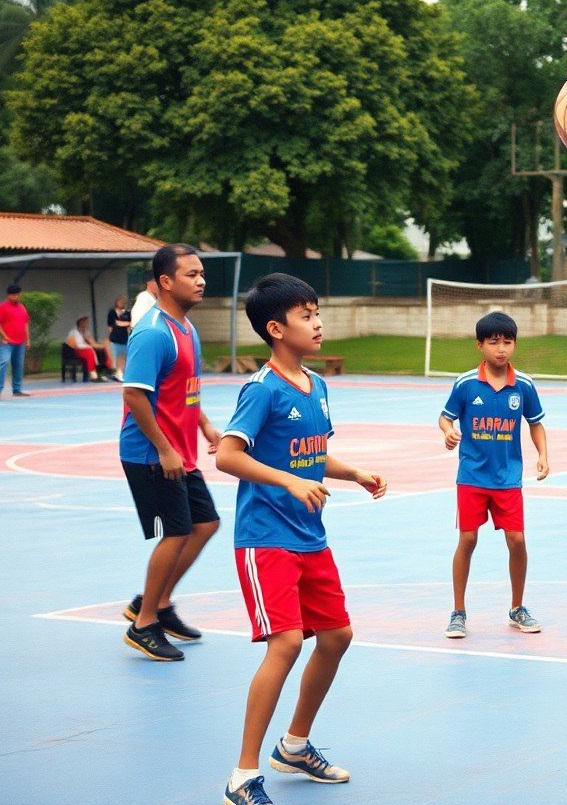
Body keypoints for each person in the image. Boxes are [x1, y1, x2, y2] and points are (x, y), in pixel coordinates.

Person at [216, 273, 388, 805]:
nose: (317, 322)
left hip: (310, 538)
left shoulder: (318, 385)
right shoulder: (262, 389)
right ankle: (243, 776)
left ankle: (293, 746)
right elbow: (227, 455)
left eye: (317, 312)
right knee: (287, 642)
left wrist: (353, 472)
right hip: (265, 538)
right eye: (306, 315)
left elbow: (311, 456)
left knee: (336, 636)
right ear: (276, 327)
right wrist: (289, 480)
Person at [119, 243, 222, 661]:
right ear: (165, 282)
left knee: (206, 524)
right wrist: (163, 448)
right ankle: (143, 623)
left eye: (201, 274)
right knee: (177, 532)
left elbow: (184, 392)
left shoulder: (186, 329)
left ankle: (157, 603)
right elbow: (135, 395)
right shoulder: (152, 332)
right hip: (151, 453)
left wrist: (205, 424)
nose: (200, 281)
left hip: (181, 450)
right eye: (190, 275)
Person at [439, 311, 549, 639]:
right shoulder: (465, 384)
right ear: (480, 346)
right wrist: (447, 432)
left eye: (507, 342)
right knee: (468, 539)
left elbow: (536, 423)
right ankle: (458, 611)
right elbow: (445, 418)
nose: (501, 349)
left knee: (517, 540)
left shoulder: (524, 386)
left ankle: (517, 607)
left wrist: (543, 454)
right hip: (472, 476)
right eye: (494, 342)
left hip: (508, 478)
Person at [0, 283, 30, 401]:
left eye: (17, 295)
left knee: (18, 366)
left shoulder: (22, 307)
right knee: (3, 363)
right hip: (7, 342)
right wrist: (4, 336)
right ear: (9, 295)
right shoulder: (2, 307)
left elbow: (26, 324)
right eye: (13, 295)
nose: (15, 297)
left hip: (21, 342)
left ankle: (17, 390)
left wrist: (28, 339)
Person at [64, 315, 114, 382]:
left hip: (86, 349)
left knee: (101, 350)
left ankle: (105, 370)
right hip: (75, 351)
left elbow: (92, 343)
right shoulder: (74, 332)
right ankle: (93, 374)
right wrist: (89, 346)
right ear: (79, 323)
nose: (85, 324)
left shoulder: (86, 332)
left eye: (86, 322)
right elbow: (74, 345)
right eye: (83, 322)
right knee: (89, 351)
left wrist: (101, 346)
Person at [107, 294, 131, 381]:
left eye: (123, 302)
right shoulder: (112, 312)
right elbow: (112, 325)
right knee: (117, 355)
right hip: (115, 337)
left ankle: (121, 372)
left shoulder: (127, 313)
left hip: (124, 337)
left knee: (124, 355)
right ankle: (118, 372)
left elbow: (130, 325)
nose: (121, 303)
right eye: (120, 301)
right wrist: (110, 336)